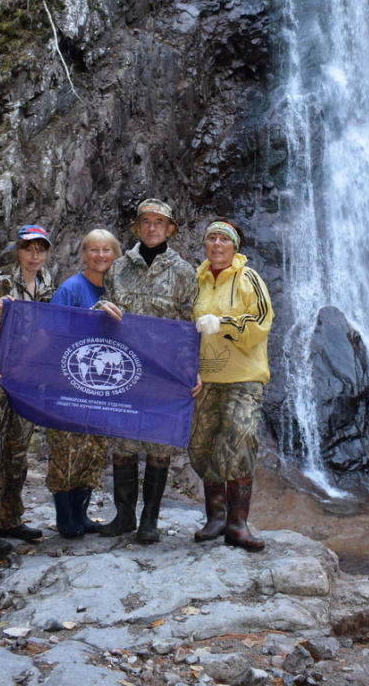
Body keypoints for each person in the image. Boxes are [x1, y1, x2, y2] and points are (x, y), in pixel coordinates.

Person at [96, 198, 199, 544]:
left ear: (170, 229)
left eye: (159, 221)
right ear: (137, 228)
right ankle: (123, 516)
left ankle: (149, 520)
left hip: (162, 374)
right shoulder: (118, 268)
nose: (152, 226)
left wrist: (190, 370)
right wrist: (100, 308)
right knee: (123, 444)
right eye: (146, 221)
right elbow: (102, 316)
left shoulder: (184, 272)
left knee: (159, 446)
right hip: (123, 370)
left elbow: (189, 329)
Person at [0, 224, 55, 559]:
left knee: (18, 451)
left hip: (29, 376)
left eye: (41, 249)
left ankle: (9, 518)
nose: (35, 255)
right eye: (28, 248)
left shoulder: (48, 281)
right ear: (17, 249)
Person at [188, 219, 273, 551]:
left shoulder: (248, 278)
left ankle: (238, 523)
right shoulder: (198, 280)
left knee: (240, 439)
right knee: (202, 447)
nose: (217, 243)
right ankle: (216, 516)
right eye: (211, 238)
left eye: (224, 239)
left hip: (243, 379)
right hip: (205, 380)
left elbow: (261, 322)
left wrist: (222, 323)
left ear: (235, 246)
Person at [46, 228, 121, 537]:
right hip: (68, 384)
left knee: (93, 451)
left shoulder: (117, 290)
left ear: (116, 255)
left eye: (107, 250)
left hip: (102, 386)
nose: (100, 255)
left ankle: (82, 513)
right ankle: (65, 518)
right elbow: (52, 332)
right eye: (93, 250)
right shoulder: (71, 289)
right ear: (84, 255)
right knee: (66, 450)